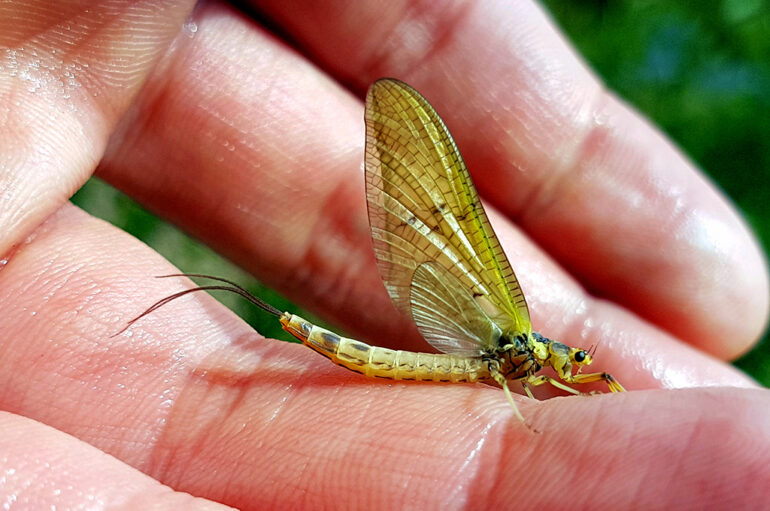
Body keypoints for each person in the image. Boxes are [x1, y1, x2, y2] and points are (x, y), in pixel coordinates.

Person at [0, 1, 767, 509]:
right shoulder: (516, 344)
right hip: (431, 351)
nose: (566, 367)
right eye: (561, 366)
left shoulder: (535, 356)